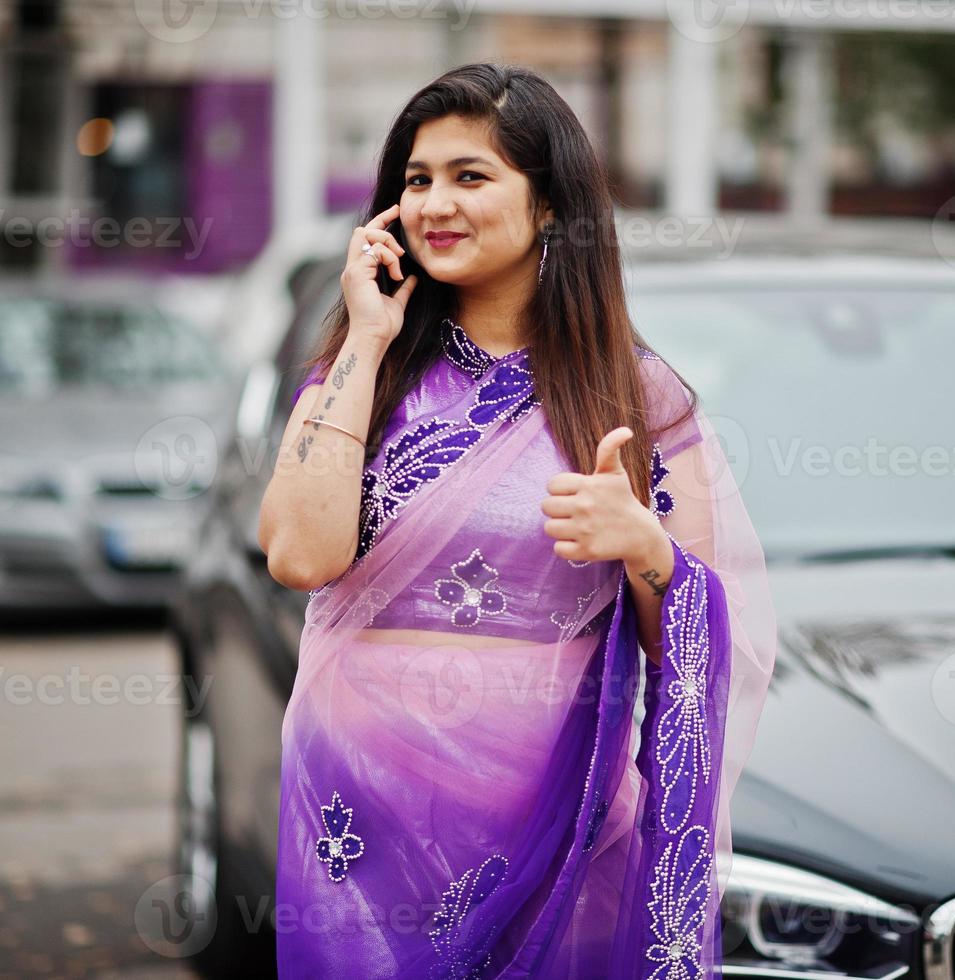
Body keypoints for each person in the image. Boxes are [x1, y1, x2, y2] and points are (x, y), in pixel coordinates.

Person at [258, 62, 777, 978]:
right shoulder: (360, 375)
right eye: (416, 180)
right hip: (356, 816)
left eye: (470, 176)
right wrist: (367, 338)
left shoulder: (634, 394)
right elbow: (300, 554)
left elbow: (696, 628)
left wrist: (643, 547)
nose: (433, 204)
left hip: (553, 817)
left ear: (548, 208)